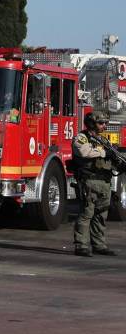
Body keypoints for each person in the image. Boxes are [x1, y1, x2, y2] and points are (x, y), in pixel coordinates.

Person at [71, 110, 117, 258]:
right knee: (86, 214)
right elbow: (84, 152)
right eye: (101, 123)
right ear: (91, 123)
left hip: (104, 181)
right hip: (89, 181)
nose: (104, 125)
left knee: (101, 215)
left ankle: (99, 245)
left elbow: (111, 158)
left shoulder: (104, 141)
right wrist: (103, 153)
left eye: (105, 123)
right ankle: (82, 245)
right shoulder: (82, 138)